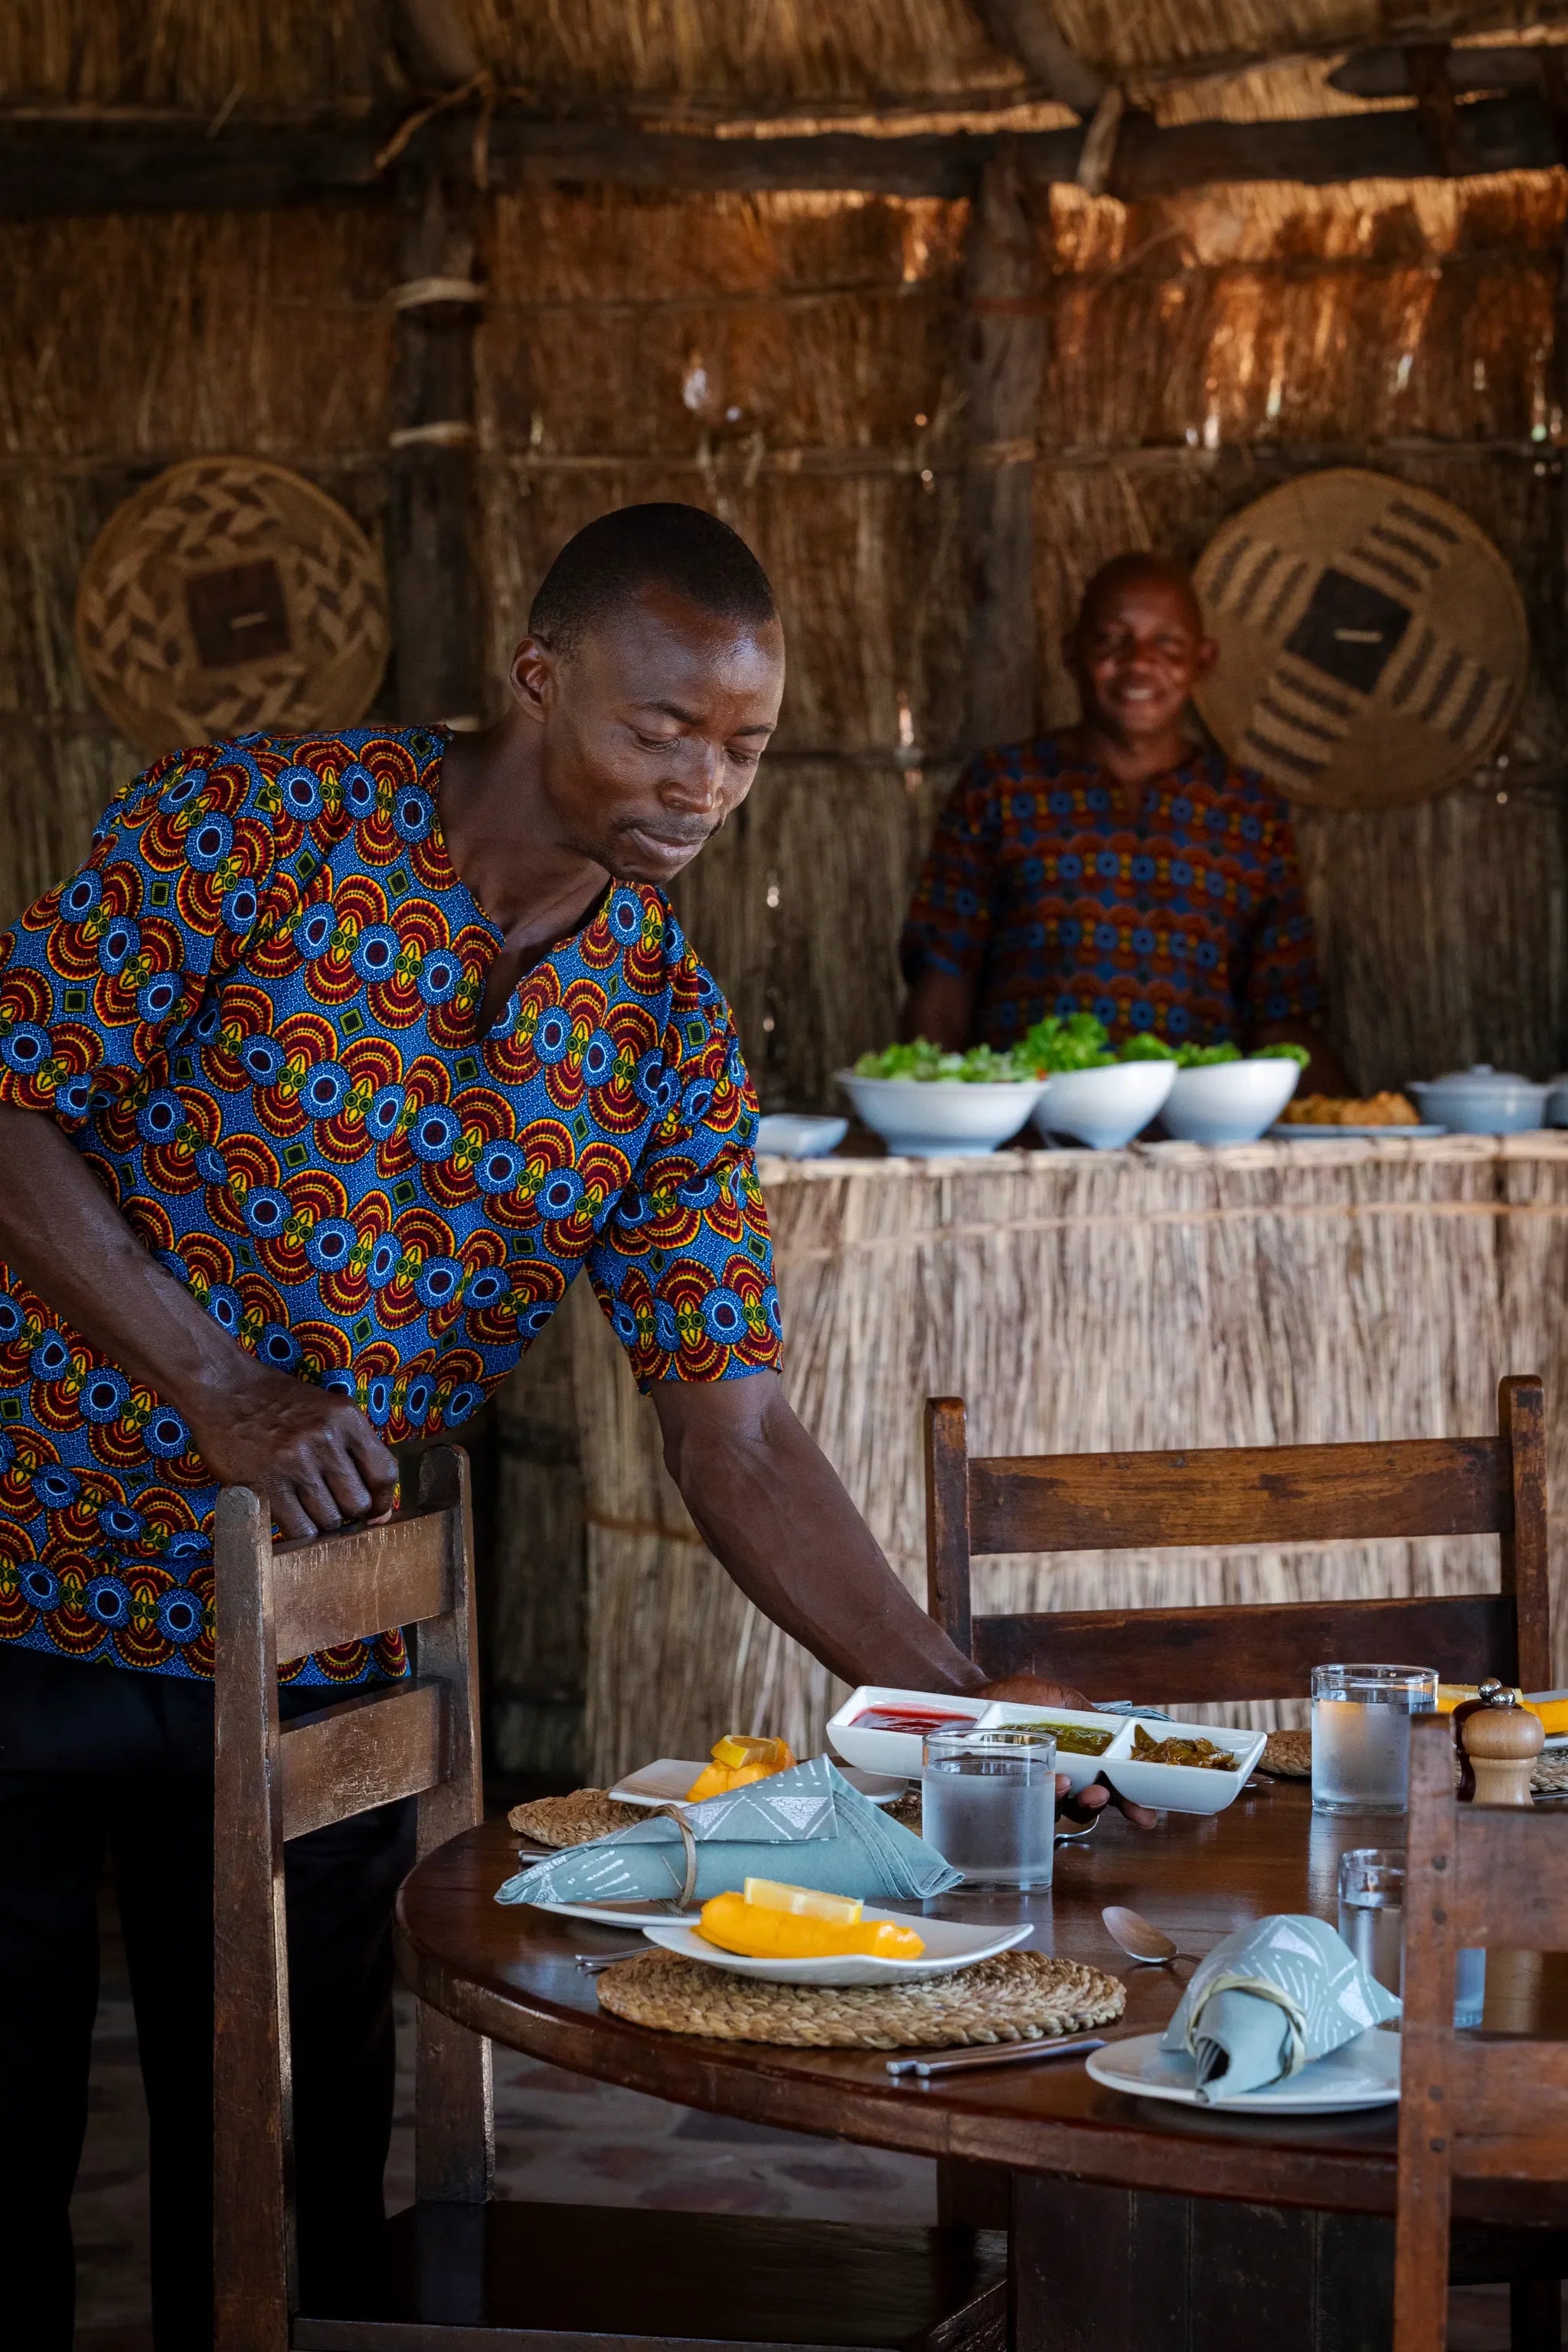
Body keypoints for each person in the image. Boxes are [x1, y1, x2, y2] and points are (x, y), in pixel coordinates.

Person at [0, 503, 1120, 2351]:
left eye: (744, 745)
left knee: (280, 2206)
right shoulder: (258, 826)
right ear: (539, 680)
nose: (702, 782)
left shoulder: (661, 1025)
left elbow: (737, 1431)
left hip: (323, 1667)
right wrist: (221, 1382)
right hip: (36, 1578)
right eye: (658, 728)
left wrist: (961, 1700)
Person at [900, 552, 1348, 1090]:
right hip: (1028, 1134)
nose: (1138, 662)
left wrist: (1352, 1131)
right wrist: (932, 1109)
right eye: (1111, 641)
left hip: (1199, 1141)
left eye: (1168, 645)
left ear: (1202, 662)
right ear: (1072, 654)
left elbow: (1282, 1012)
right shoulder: (1001, 789)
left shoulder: (1248, 812)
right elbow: (944, 983)